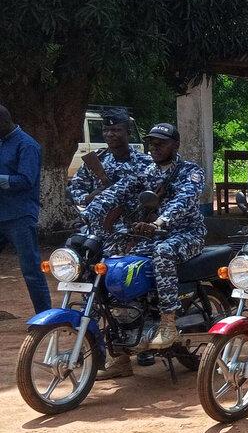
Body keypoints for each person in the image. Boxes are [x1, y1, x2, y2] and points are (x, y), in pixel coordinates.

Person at [81, 123, 206, 349]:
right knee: (114, 258)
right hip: (151, 235)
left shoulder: (191, 171)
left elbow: (184, 200)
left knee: (163, 252)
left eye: (161, 143)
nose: (155, 147)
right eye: (151, 143)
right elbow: (117, 192)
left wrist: (160, 221)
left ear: (175, 145)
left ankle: (168, 323)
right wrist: (88, 214)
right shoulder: (145, 172)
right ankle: (123, 339)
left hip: (185, 234)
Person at [67, 107, 154, 249]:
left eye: (116, 130)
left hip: (132, 233)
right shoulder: (96, 160)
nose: (109, 134)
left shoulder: (145, 163)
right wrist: (87, 199)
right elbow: (76, 186)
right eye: (106, 130)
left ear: (129, 132)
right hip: (96, 231)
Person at [0, 102, 51, 314]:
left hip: (20, 215)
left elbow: (26, 180)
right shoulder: (2, 142)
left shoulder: (27, 145)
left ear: (3, 122)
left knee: (30, 268)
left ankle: (45, 316)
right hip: (2, 213)